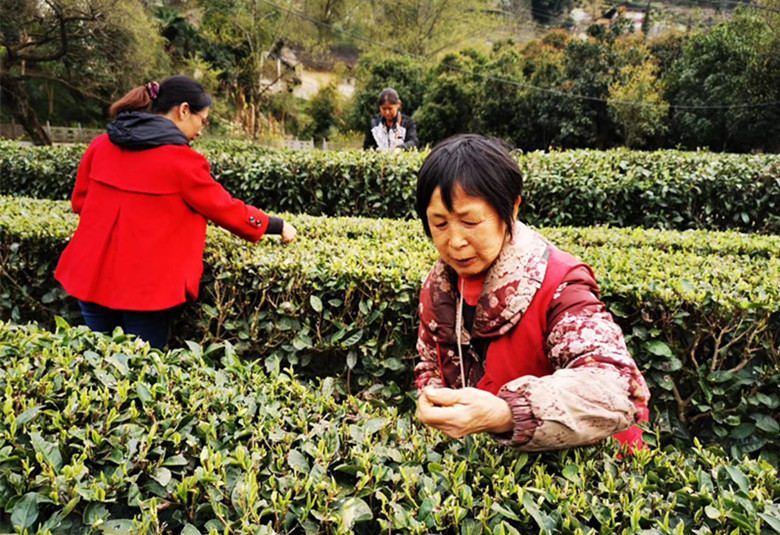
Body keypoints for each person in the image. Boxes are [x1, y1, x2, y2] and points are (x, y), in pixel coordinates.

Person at [414, 134, 650, 451]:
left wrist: (507, 412)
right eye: (439, 224)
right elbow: (431, 364)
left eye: (470, 221)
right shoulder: (438, 286)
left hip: (583, 479)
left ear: (511, 209)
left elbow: (617, 387)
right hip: (499, 475)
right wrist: (431, 398)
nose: (455, 241)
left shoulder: (561, 285)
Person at [55, 75, 297, 350]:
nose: (202, 130)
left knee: (98, 366)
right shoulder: (182, 161)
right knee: (143, 371)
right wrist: (276, 225)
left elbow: (80, 202)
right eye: (203, 120)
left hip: (90, 278)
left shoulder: (100, 145)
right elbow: (225, 209)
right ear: (184, 110)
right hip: (144, 291)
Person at [363, 88, 418, 152]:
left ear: (398, 105)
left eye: (390, 108)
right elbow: (367, 148)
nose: (387, 112)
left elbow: (413, 142)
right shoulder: (374, 125)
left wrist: (400, 149)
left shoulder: (408, 123)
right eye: (383, 109)